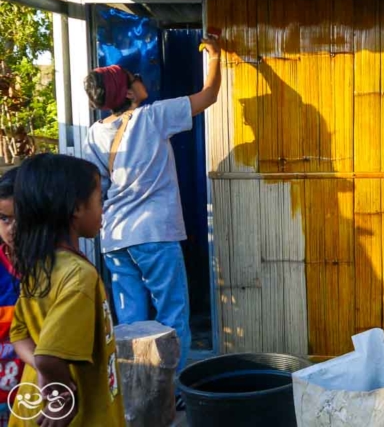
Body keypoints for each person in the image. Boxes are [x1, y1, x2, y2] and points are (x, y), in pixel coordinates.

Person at [82, 36, 221, 385]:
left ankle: (135, 393)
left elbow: (96, 187)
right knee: (173, 316)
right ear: (129, 93)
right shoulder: (153, 117)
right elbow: (209, 96)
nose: (142, 81)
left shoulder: (94, 134)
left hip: (114, 238)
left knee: (131, 324)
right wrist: (216, 58)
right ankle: (169, 391)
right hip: (154, 234)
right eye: (136, 78)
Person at [8, 153, 124, 426]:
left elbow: (20, 335)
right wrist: (59, 393)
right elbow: (49, 355)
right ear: (76, 208)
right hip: (77, 416)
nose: (103, 208)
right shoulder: (79, 275)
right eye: (99, 199)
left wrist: (42, 372)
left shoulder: (41, 265)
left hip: (30, 404)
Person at [0, 168, 23, 426]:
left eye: (21, 219)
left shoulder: (57, 269)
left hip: (38, 394)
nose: (12, 228)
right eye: (4, 219)